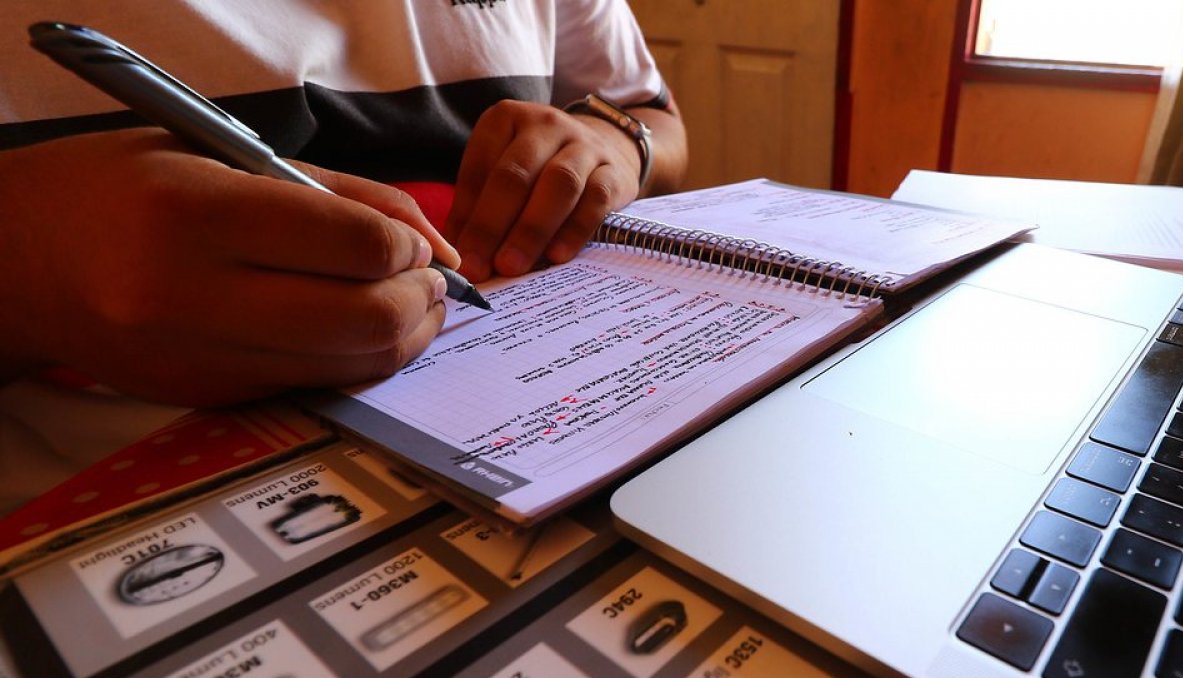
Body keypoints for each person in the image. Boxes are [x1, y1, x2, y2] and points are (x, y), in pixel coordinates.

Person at [0, 1, 687, 514]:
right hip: (117, 514)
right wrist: (28, 261)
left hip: (558, 454)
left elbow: (653, 116)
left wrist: (616, 145)